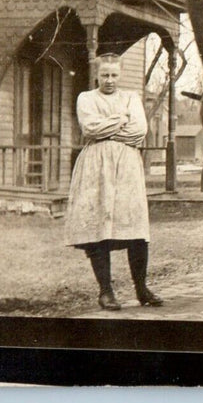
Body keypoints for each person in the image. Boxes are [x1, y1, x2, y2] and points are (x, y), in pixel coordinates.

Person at [64, 54, 163, 310]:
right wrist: (121, 119)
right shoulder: (86, 98)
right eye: (105, 75)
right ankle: (106, 292)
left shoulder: (131, 98)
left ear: (121, 75)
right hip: (96, 167)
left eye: (114, 75)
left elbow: (139, 131)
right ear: (97, 75)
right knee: (99, 226)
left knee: (135, 226)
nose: (110, 80)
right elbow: (90, 129)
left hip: (127, 168)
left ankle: (142, 289)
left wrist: (108, 128)